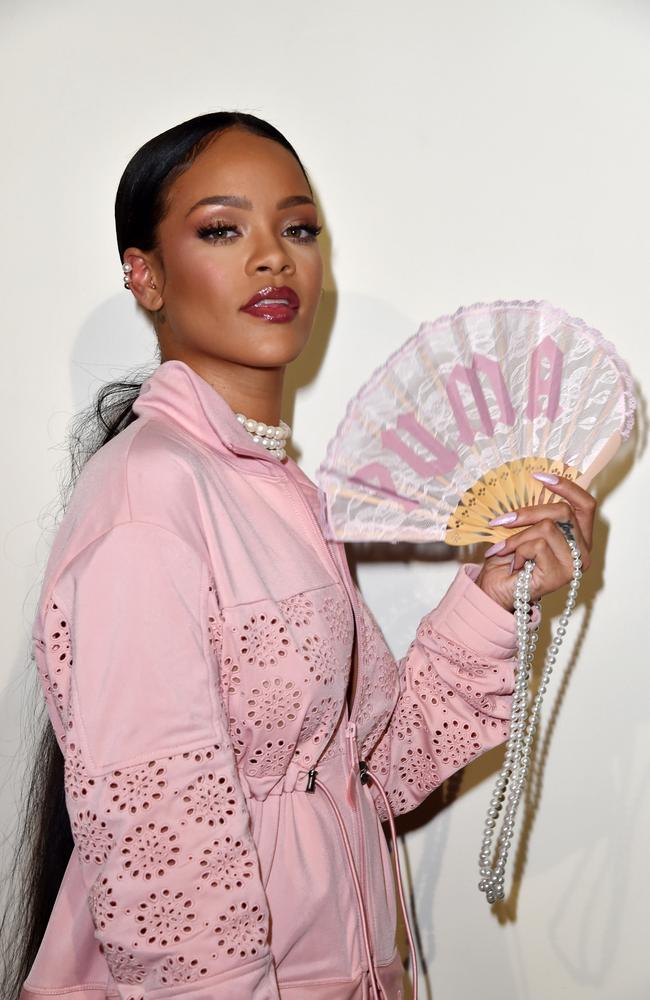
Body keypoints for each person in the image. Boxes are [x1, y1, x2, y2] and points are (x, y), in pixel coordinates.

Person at [2, 112, 596, 1000]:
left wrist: (493, 594)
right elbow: (171, 875)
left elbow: (367, 774)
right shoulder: (149, 500)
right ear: (146, 274)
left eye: (299, 227)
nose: (275, 257)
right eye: (222, 228)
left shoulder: (277, 492)